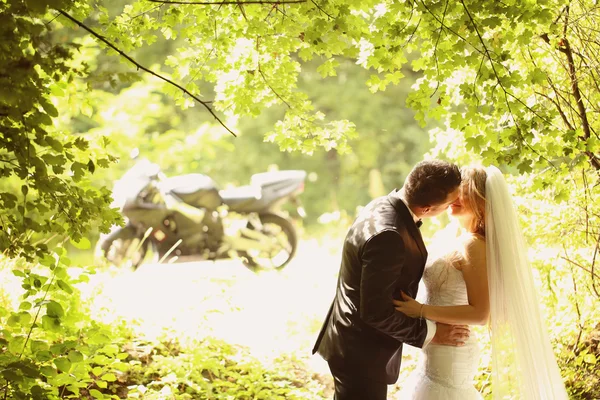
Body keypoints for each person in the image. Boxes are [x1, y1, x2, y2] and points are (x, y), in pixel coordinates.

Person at [393, 165, 569, 399]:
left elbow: (480, 314)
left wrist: (421, 310)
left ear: (483, 203)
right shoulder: (453, 236)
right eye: (456, 191)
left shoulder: (473, 246)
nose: (457, 197)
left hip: (452, 353)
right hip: (435, 346)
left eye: (467, 192)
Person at [312, 159, 469, 400]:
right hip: (360, 352)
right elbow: (376, 312)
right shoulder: (389, 236)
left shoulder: (381, 204)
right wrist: (432, 334)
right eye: (449, 203)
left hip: (351, 340)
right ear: (428, 209)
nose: (452, 207)